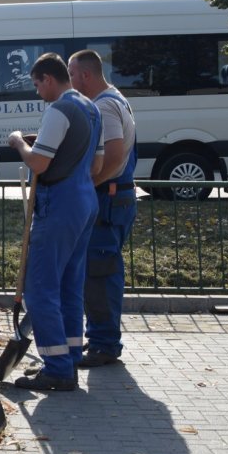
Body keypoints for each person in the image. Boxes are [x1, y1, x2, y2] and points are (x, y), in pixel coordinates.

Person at [7, 53, 103, 392]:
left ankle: (58, 369)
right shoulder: (91, 108)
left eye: (36, 84)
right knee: (68, 286)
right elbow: (96, 164)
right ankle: (70, 355)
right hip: (85, 200)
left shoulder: (58, 110)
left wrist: (19, 141)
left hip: (60, 204)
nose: (37, 92)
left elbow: (39, 164)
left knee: (40, 288)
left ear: (49, 78)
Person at [68, 49, 138, 368]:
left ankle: (104, 345)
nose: (69, 81)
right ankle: (99, 338)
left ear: (85, 75)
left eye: (71, 74)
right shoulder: (113, 100)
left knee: (100, 273)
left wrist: (89, 184)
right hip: (113, 197)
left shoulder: (105, 106)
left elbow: (112, 155)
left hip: (109, 199)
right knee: (97, 273)